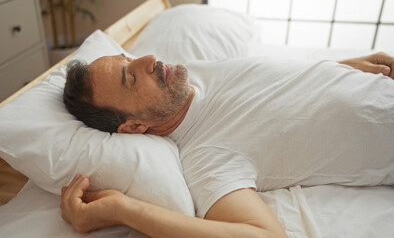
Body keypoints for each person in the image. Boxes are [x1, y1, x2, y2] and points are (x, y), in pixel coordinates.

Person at [61, 52, 394, 237]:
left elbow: (280, 86)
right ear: (134, 126)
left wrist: (343, 66)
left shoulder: (192, 74)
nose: (149, 59)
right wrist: (123, 210)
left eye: (129, 58)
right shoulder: (206, 160)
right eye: (131, 78)